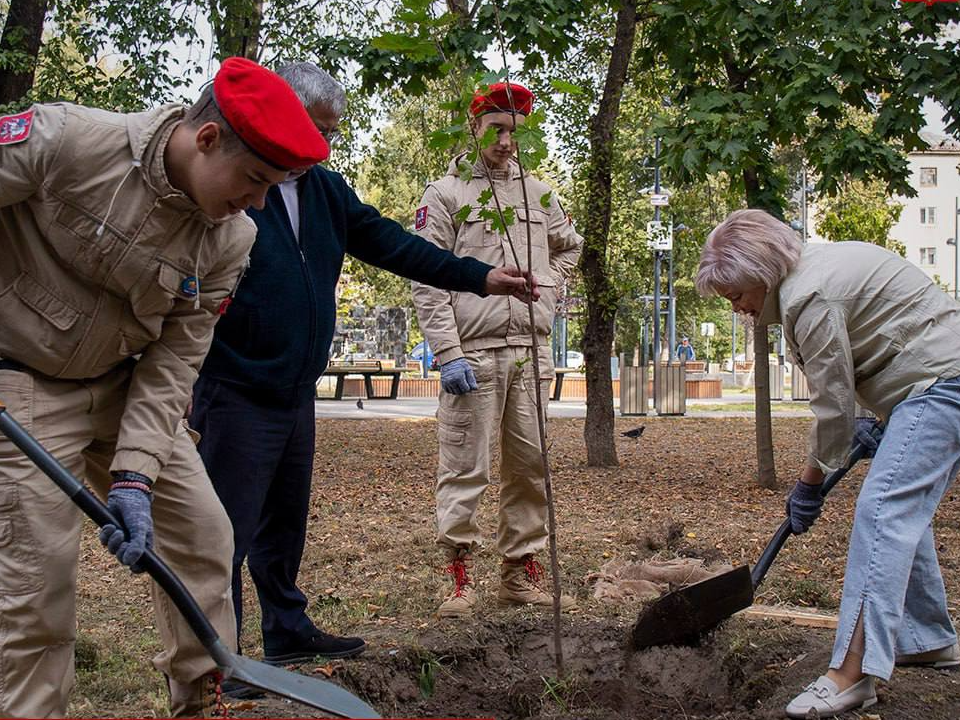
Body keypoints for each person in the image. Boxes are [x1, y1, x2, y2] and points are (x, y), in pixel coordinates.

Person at [188, 63, 537, 685]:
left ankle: (286, 630)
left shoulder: (323, 188)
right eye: (314, 131)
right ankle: (224, 658)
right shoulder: (232, 184)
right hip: (235, 389)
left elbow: (392, 244)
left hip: (296, 391)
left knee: (282, 523)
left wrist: (477, 276)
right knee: (226, 531)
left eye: (329, 135)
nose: (320, 147)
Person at [0, 58, 328, 717]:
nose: (259, 202)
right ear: (207, 139)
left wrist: (133, 479)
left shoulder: (231, 238)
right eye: (256, 179)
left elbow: (175, 361)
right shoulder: (67, 143)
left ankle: (202, 700)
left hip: (125, 387)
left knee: (206, 538)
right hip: (25, 380)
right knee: (37, 582)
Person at [696, 209, 960, 719]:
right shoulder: (814, 272)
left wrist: (808, 484)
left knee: (883, 511)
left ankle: (853, 673)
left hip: (942, 388)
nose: (739, 310)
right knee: (903, 511)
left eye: (738, 296)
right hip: (925, 387)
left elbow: (832, 408)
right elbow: (878, 345)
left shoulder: (807, 297)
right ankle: (927, 639)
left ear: (763, 271)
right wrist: (881, 419)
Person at [411, 82, 583, 618]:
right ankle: (459, 578)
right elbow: (426, 276)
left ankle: (519, 573)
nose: (506, 141)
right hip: (474, 352)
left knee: (531, 464)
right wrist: (447, 351)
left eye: (514, 131)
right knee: (466, 465)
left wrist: (549, 289)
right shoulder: (445, 194)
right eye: (496, 129)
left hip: (531, 351)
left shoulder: (542, 194)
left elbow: (571, 245)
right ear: (475, 126)